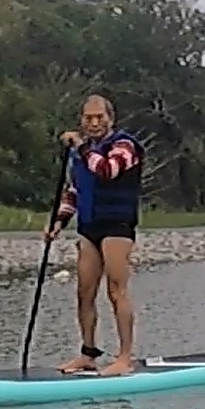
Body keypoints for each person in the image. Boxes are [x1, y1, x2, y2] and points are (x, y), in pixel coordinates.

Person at [49, 94, 143, 377]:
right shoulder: (82, 153)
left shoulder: (125, 145)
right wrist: (59, 220)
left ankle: (125, 358)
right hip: (89, 226)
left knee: (116, 290)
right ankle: (88, 354)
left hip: (117, 224)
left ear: (110, 119)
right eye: (88, 118)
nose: (93, 122)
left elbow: (106, 170)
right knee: (84, 293)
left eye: (99, 117)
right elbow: (75, 189)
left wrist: (79, 146)